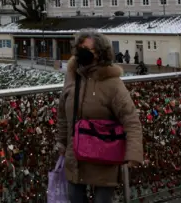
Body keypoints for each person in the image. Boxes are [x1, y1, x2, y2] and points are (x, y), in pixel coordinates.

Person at [57, 30, 143, 203]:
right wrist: (61, 142)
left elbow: (130, 119)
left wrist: (133, 154)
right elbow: (63, 115)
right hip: (76, 154)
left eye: (88, 49)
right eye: (80, 47)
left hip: (104, 154)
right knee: (74, 197)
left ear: (100, 53)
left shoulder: (112, 83)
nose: (82, 51)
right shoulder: (72, 77)